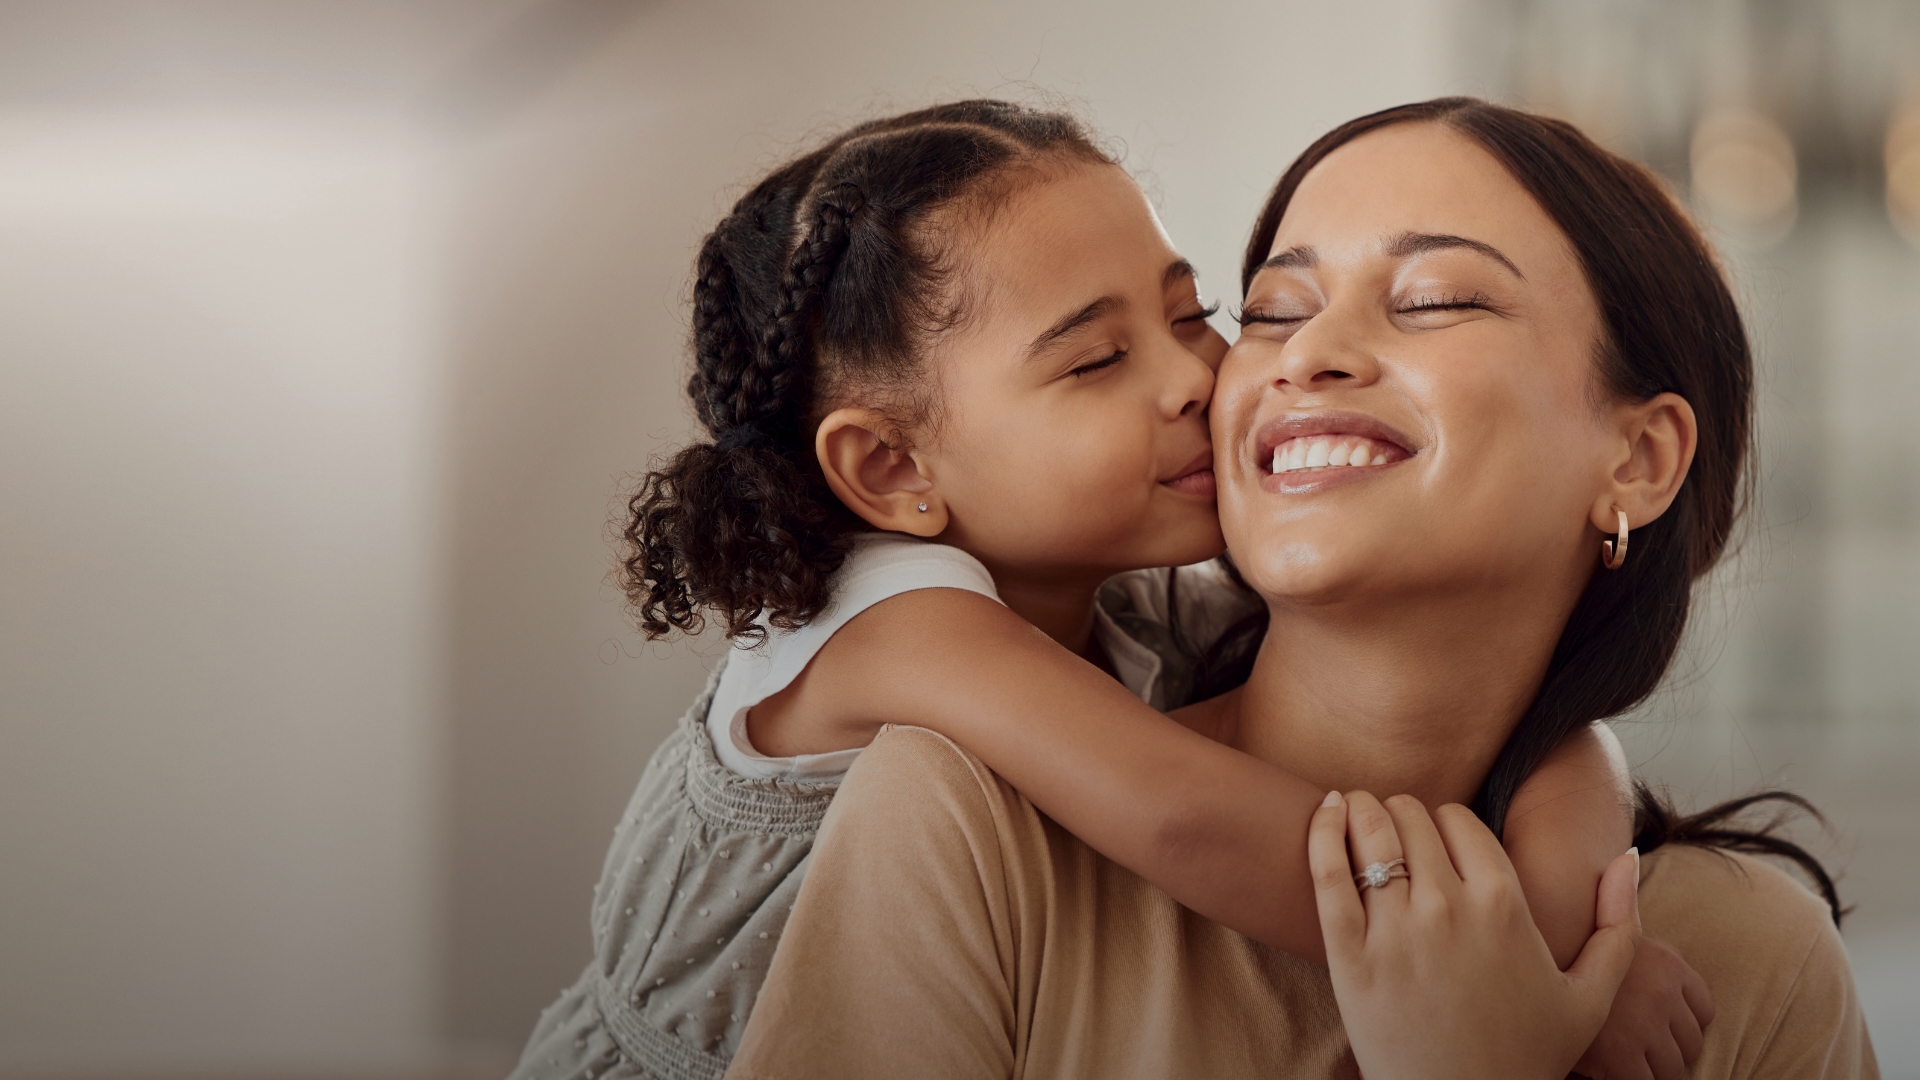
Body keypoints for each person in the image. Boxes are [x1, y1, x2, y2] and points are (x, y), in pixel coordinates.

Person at [511, 100, 1704, 1080]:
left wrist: (1573, 896)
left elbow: (1532, 712)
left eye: (1196, 316)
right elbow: (1187, 817)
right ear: (893, 469)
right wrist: (1521, 981)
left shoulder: (1132, 613)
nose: (1199, 377)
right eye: (1095, 359)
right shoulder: (900, 631)